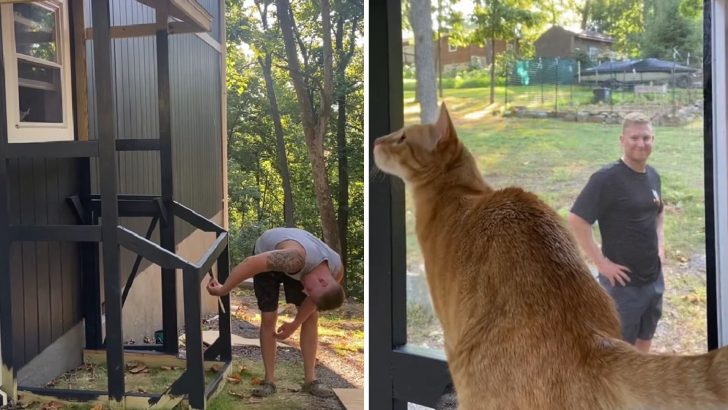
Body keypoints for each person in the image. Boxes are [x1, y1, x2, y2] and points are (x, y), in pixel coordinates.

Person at [206, 227, 345, 397]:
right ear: (322, 281)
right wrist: (224, 289)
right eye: (308, 289)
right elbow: (250, 263)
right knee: (269, 316)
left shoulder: (336, 271)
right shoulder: (293, 258)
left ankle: (311, 381)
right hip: (269, 253)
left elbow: (311, 303)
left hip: (301, 265)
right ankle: (269, 381)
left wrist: (295, 324)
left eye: (308, 291)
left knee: (311, 317)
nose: (305, 292)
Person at [568, 112, 665, 353]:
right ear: (622, 140)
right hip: (623, 285)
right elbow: (577, 219)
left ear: (653, 139)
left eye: (646, 137)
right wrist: (601, 264)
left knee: (646, 334)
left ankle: (640, 383)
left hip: (653, 279)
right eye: (634, 138)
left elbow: (659, 213)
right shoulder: (606, 178)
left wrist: (661, 247)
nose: (641, 143)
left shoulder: (653, 175)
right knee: (619, 349)